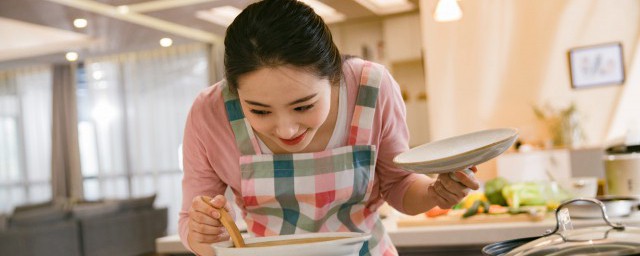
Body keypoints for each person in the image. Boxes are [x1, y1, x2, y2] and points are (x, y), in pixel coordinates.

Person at [179, 0, 480, 255]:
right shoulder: (210, 113)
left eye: (303, 106)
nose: (286, 130)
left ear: (335, 76)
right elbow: (191, 226)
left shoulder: (370, 88)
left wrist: (436, 192)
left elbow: (398, 186)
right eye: (259, 111)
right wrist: (202, 233)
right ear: (234, 91)